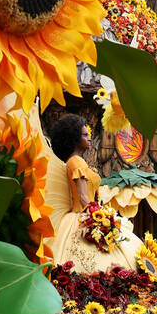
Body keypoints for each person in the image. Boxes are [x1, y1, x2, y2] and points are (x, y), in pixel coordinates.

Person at [48, 113, 141, 272]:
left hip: (89, 213)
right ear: (73, 138)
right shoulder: (76, 161)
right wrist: (99, 217)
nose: (89, 138)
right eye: (85, 135)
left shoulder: (77, 161)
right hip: (84, 215)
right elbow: (83, 197)